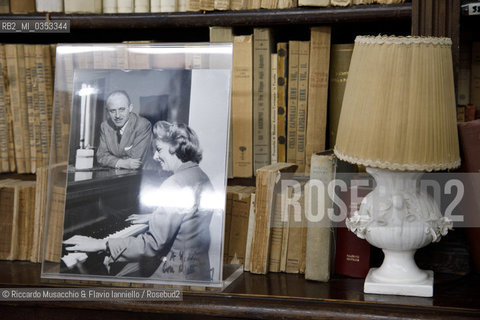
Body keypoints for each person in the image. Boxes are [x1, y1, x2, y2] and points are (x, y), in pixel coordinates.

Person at [65, 121, 214, 281]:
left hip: (173, 276)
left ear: (175, 147)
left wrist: (102, 244)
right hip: (197, 271)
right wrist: (154, 217)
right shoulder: (202, 177)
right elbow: (189, 217)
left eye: (159, 150)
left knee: (113, 280)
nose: (156, 157)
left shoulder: (174, 184)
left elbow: (151, 245)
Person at [97, 90, 152, 169]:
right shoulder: (105, 126)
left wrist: (111, 160)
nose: (117, 115)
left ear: (130, 108)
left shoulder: (142, 125)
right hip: (114, 176)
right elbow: (101, 156)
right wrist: (122, 163)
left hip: (139, 176)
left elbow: (136, 162)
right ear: (107, 112)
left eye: (121, 109)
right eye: (112, 111)